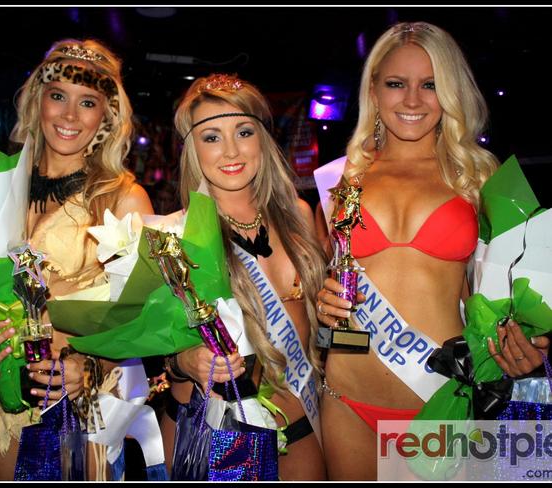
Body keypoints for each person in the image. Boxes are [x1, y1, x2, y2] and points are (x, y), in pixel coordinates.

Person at [314, 21, 550, 480]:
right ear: (375, 92)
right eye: (397, 84)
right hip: (346, 399)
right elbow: (330, 285)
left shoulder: (481, 179)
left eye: (430, 85)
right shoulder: (343, 179)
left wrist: (530, 341)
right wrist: (323, 302)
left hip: (442, 399)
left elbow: (513, 294)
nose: (413, 100)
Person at [0, 38, 154, 480]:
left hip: (76, 405)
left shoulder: (122, 199)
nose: (69, 116)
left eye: (87, 102)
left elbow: (138, 322)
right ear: (37, 102)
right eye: (57, 96)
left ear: (105, 116)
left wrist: (89, 366)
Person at [157, 73, 327, 480]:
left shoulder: (299, 218)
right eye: (212, 137)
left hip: (302, 419)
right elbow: (159, 342)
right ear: (192, 150)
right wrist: (187, 360)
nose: (231, 150)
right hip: (217, 426)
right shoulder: (174, 235)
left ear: (262, 139)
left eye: (244, 131)